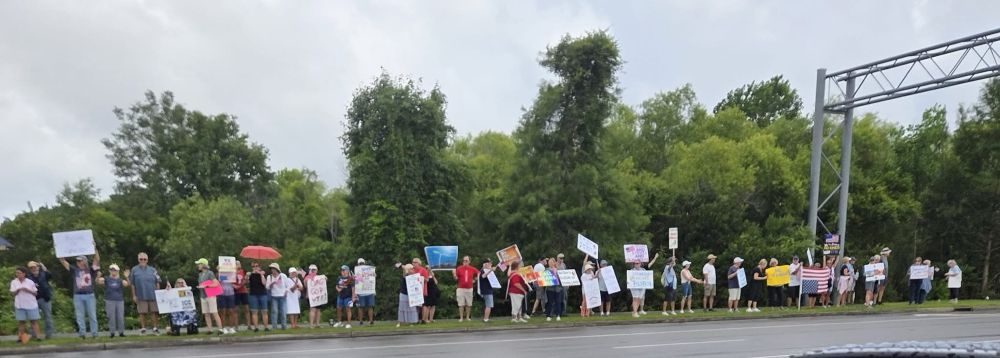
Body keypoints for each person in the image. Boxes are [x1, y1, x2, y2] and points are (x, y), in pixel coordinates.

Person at [59, 252, 100, 339]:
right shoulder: (74, 270)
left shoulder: (91, 270)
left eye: (80, 260)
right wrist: (60, 252)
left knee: (92, 315)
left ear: (85, 261)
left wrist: (95, 249)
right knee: (79, 315)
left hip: (89, 295)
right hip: (78, 296)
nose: (78, 262)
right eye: (77, 261)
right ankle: (82, 334)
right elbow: (63, 262)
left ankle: (94, 334)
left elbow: (96, 260)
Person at [129, 252, 161, 336]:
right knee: (142, 313)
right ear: (138, 259)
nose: (143, 260)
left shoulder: (153, 270)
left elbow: (158, 281)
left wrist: (159, 293)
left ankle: (155, 328)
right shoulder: (134, 269)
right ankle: (143, 329)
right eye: (141, 259)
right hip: (140, 294)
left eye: (144, 259)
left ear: (147, 260)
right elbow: (132, 284)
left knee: (154, 312)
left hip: (152, 294)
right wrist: (134, 295)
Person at [11, 267, 41, 343]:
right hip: (19, 305)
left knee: (34, 321)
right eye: (17, 273)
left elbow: (35, 293)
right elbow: (13, 294)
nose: (18, 274)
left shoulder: (30, 282)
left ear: (24, 274)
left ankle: (38, 337)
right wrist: (17, 290)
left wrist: (28, 290)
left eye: (19, 273)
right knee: (21, 322)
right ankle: (20, 338)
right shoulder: (14, 282)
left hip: (31, 304)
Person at [97, 264, 129, 337]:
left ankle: (121, 332)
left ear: (118, 271)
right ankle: (112, 333)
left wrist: (127, 277)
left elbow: (127, 284)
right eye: (112, 270)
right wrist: (98, 276)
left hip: (120, 300)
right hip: (109, 300)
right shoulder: (106, 279)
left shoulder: (120, 280)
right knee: (111, 317)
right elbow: (98, 282)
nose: (113, 271)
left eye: (115, 270)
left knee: (120, 317)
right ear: (109, 271)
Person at [196, 258, 225, 335]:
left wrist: (206, 286)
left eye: (199, 264)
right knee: (206, 313)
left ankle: (220, 329)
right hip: (203, 295)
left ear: (203, 265)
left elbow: (216, 283)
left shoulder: (210, 273)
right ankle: (210, 329)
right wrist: (200, 286)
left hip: (210, 295)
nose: (198, 265)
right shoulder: (200, 274)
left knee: (214, 312)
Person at [26, 261, 53, 340]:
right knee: (33, 318)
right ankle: (34, 334)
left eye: (35, 267)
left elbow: (50, 275)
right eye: (32, 268)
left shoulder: (44, 274)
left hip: (45, 299)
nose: (34, 269)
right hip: (33, 300)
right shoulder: (28, 277)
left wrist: (43, 266)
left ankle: (49, 334)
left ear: (38, 267)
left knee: (48, 317)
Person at [246, 261, 270, 332]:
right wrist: (247, 276)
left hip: (262, 294)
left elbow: (264, 283)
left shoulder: (262, 274)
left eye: (256, 266)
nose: (255, 267)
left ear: (259, 267)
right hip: (253, 294)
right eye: (253, 266)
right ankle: (256, 327)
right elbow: (246, 282)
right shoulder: (250, 274)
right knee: (254, 311)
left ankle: (266, 327)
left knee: (264, 311)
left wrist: (261, 274)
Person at [453, 256, 477, 322]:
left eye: (466, 260)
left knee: (469, 304)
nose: (465, 262)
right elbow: (456, 279)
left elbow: (479, 274)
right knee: (461, 304)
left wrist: (475, 280)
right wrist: (454, 275)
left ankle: (467, 317)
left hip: (469, 288)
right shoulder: (459, 268)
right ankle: (461, 318)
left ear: (469, 261)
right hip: (460, 288)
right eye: (464, 260)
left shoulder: (472, 269)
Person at [266, 262, 289, 330]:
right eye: (271, 269)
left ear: (277, 269)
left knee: (283, 311)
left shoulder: (283, 276)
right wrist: (272, 283)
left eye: (274, 269)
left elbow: (287, 285)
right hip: (274, 296)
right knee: (274, 311)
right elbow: (267, 287)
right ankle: (274, 326)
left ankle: (284, 326)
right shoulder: (269, 277)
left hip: (282, 295)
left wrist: (286, 292)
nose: (272, 270)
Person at [354, 258, 376, 326]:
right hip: (362, 292)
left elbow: (374, 277)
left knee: (366, 307)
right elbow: (355, 281)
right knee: (366, 307)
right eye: (360, 263)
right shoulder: (357, 271)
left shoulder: (369, 270)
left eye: (361, 263)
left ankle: (368, 321)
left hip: (368, 291)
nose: (361, 264)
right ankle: (364, 321)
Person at [217, 264, 237, 334]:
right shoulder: (219, 273)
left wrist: (234, 270)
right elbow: (216, 281)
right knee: (223, 311)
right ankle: (223, 328)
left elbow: (235, 281)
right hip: (221, 293)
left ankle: (231, 328)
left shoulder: (232, 273)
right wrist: (218, 271)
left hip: (230, 293)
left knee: (231, 311)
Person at [411, 258, 430, 323]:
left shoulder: (423, 270)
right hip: (414, 291)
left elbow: (427, 280)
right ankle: (416, 319)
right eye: (412, 262)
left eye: (415, 262)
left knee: (423, 305)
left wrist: (421, 278)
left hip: (422, 290)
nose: (413, 263)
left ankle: (423, 319)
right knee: (416, 305)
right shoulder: (412, 270)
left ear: (419, 263)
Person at [478, 258, 497, 323]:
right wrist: (490, 270)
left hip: (488, 289)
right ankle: (486, 319)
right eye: (489, 263)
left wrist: (490, 270)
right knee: (489, 305)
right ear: (485, 263)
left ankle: (486, 318)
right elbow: (483, 276)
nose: (490, 264)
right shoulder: (483, 270)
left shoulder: (486, 270)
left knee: (489, 305)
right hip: (486, 290)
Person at [234, 260, 250, 329]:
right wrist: (234, 286)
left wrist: (245, 280)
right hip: (235, 292)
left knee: (246, 308)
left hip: (243, 291)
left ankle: (249, 325)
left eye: (239, 263)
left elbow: (246, 281)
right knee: (236, 309)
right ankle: (236, 326)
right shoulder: (232, 272)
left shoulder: (243, 271)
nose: (238, 265)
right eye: (237, 264)